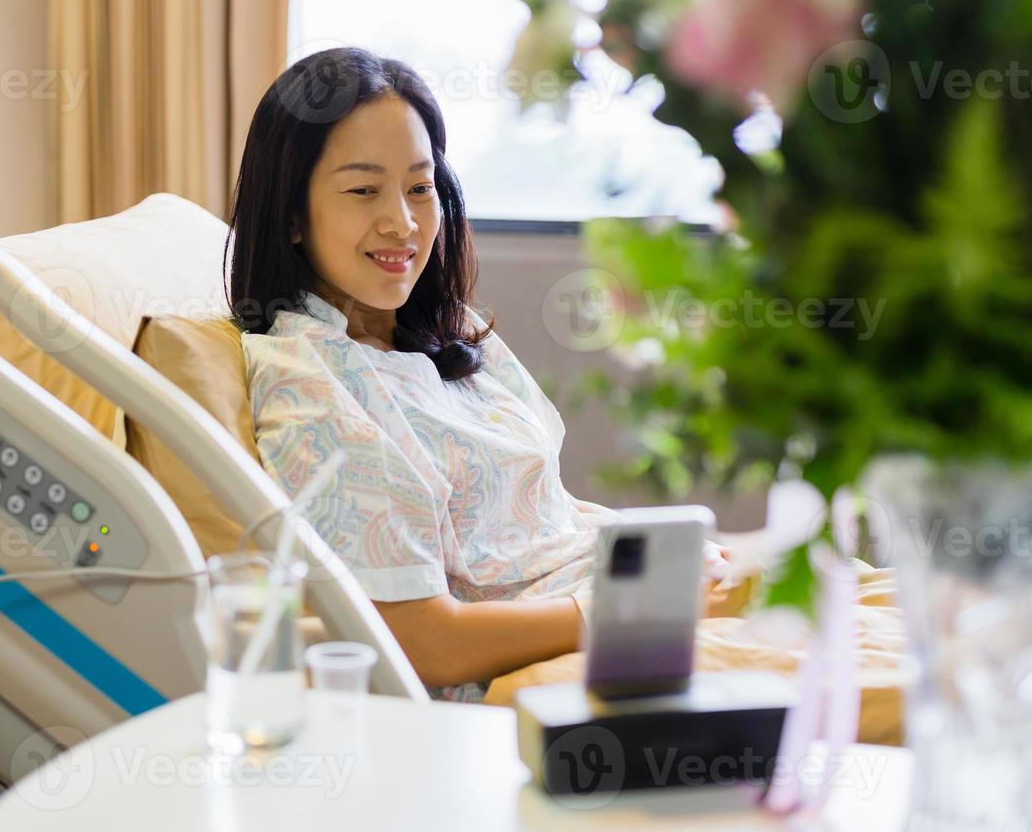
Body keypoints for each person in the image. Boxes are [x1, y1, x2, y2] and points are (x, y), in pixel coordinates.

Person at [225, 47, 728, 700]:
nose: (402, 223)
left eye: (418, 186)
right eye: (362, 190)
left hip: (620, 590)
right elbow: (422, 645)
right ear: (292, 214)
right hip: (559, 655)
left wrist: (659, 564)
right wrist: (632, 609)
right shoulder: (313, 392)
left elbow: (538, 518)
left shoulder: (443, 331)